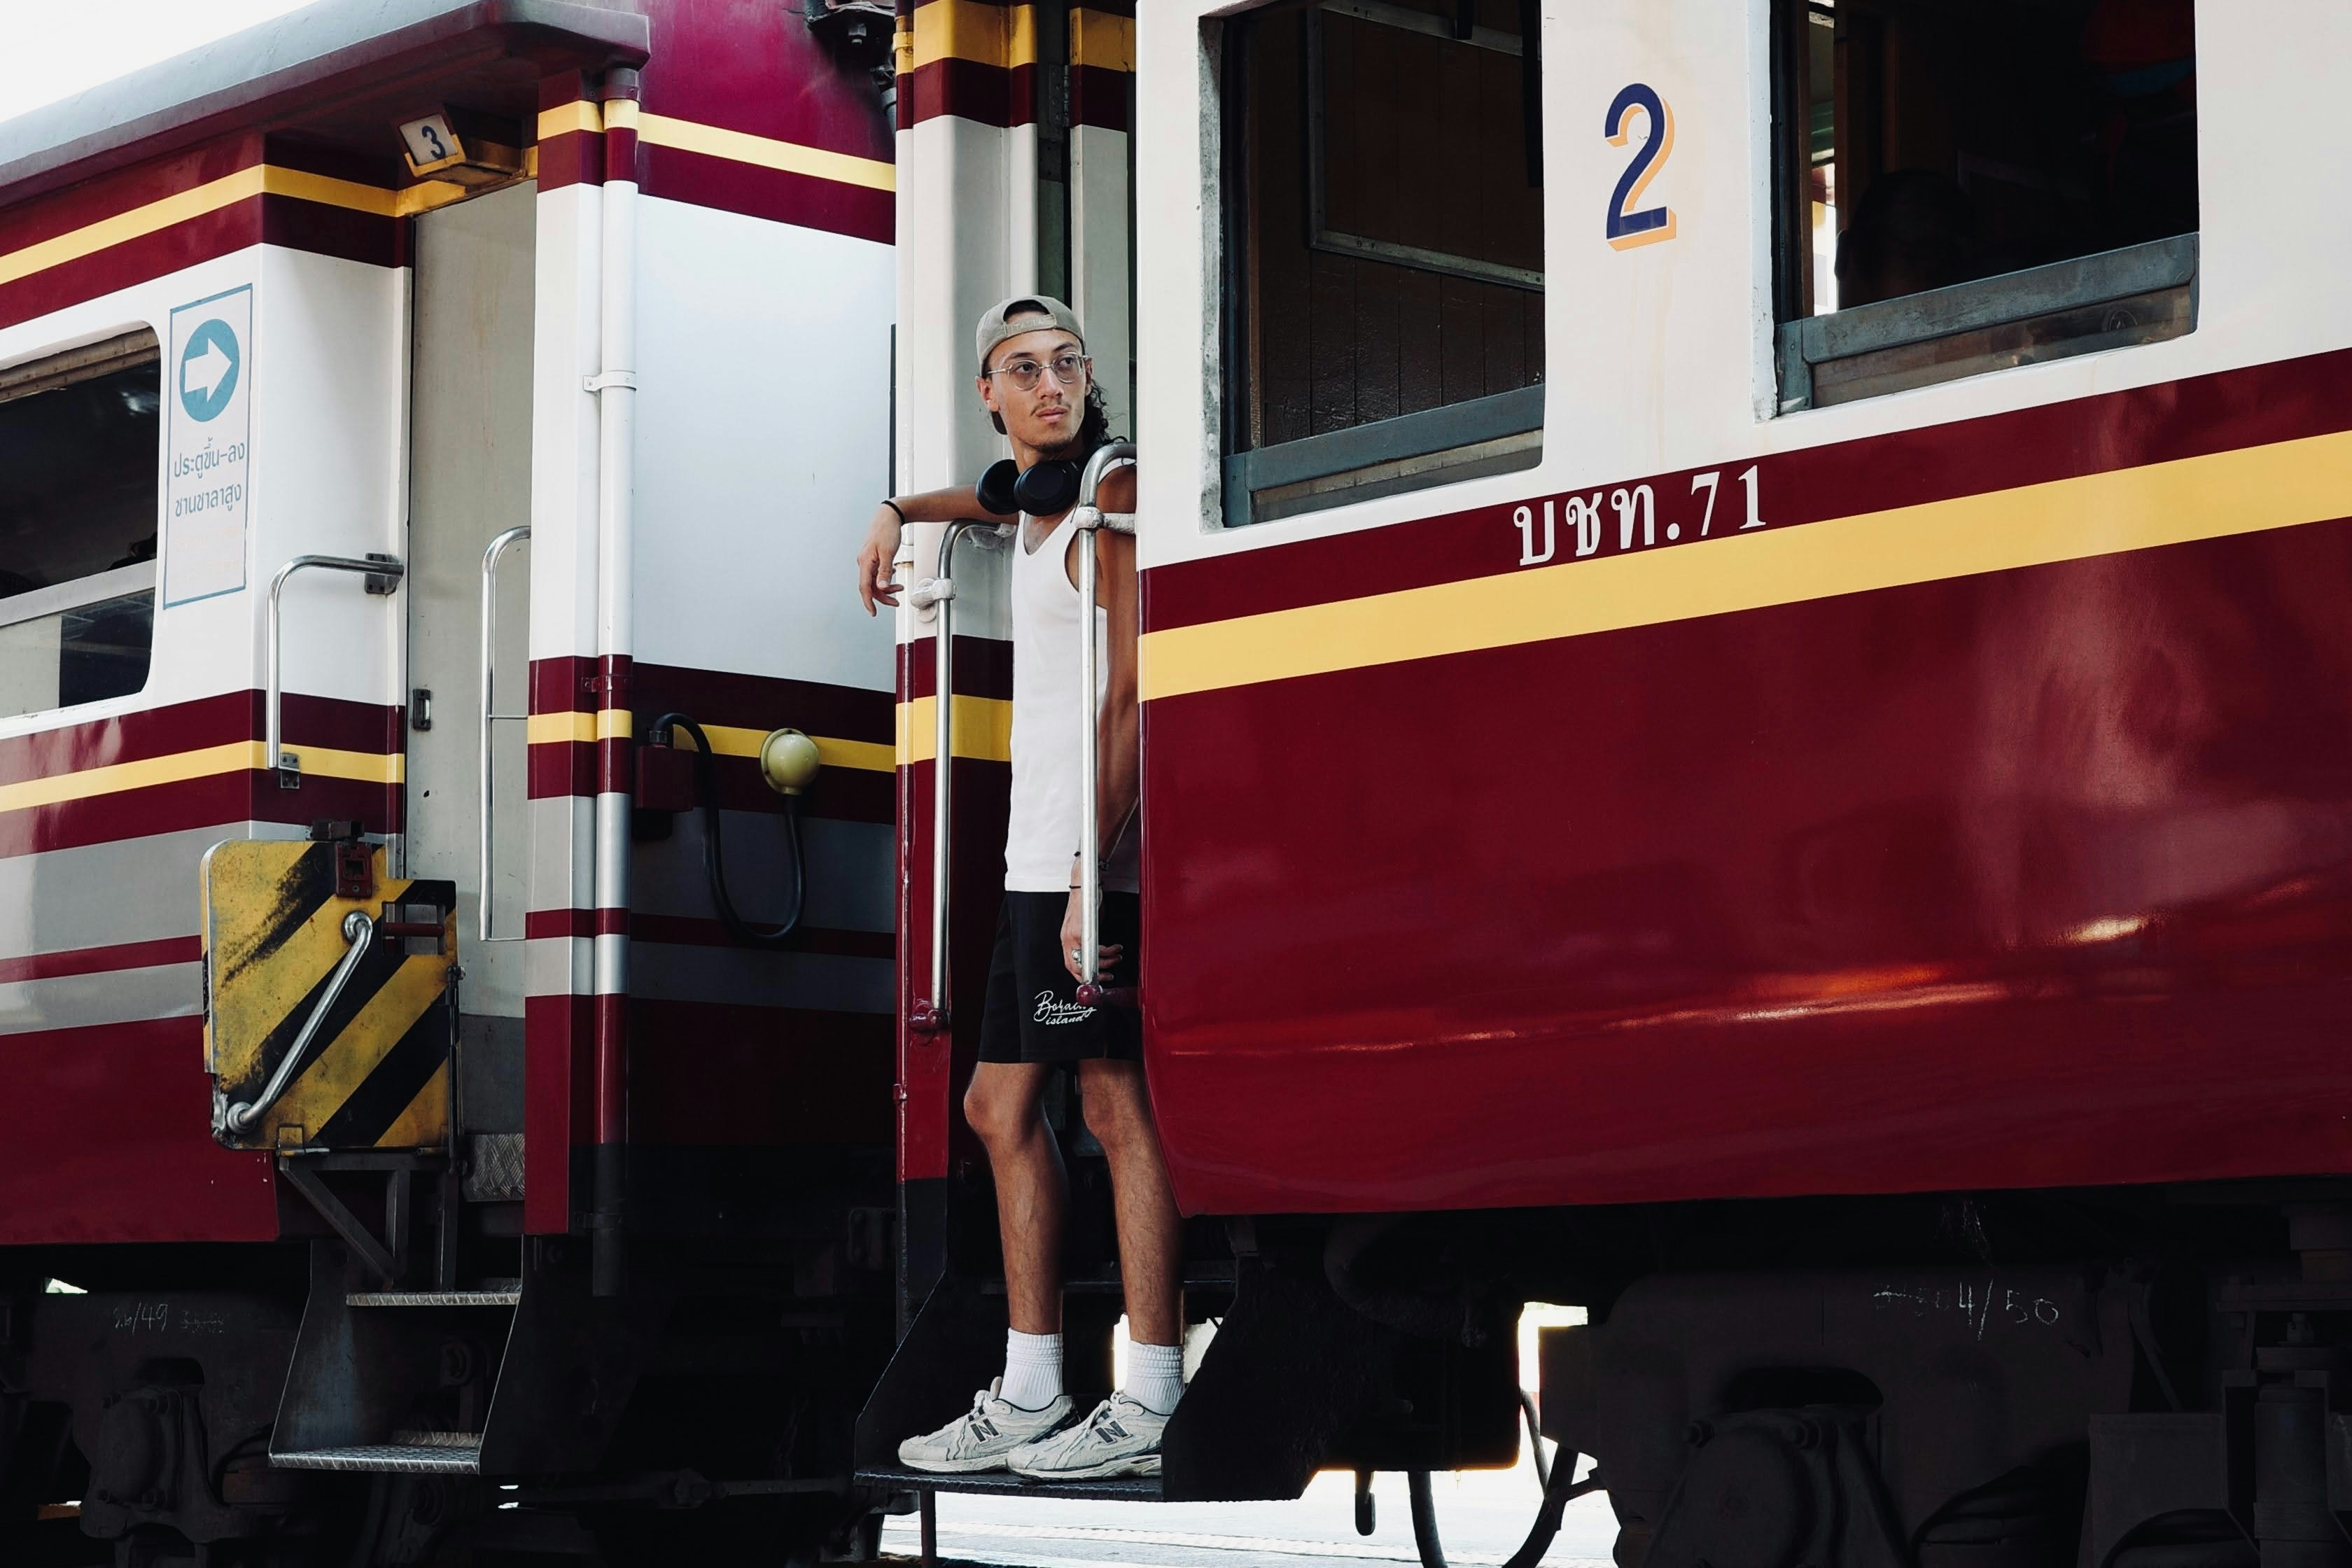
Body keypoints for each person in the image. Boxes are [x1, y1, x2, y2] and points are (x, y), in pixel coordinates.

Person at [855, 297, 1186, 1481]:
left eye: (1067, 365)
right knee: (1000, 1111)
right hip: (1036, 860)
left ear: (1090, 381)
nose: (1050, 383)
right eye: (1023, 370)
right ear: (991, 398)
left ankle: (1149, 1390)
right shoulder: (1036, 497)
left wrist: (1099, 871)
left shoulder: (1112, 493)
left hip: (1091, 865)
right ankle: (1035, 1387)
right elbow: (979, 500)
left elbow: (1134, 693)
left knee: (1110, 1103)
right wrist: (897, 511)